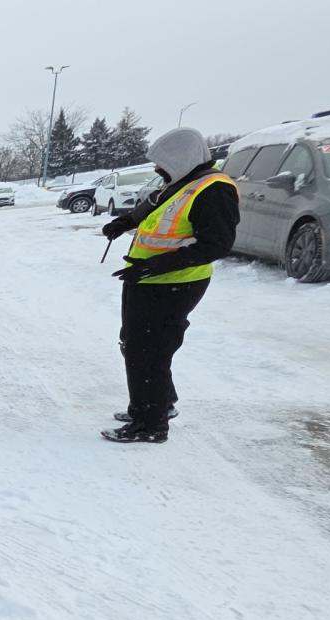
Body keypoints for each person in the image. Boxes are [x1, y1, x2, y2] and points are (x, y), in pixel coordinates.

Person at [99, 127, 239, 444]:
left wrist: (157, 265)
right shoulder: (182, 183)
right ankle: (157, 405)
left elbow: (216, 244)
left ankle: (150, 424)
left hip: (174, 283)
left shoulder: (214, 189)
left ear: (180, 159)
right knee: (137, 344)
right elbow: (153, 206)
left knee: (147, 350)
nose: (156, 169)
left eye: (161, 163)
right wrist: (124, 222)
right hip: (151, 279)